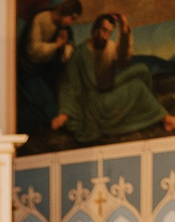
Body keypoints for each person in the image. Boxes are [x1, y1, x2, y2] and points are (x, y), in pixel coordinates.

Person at [53, 11, 175, 143]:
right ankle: (167, 119)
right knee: (137, 87)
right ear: (95, 30)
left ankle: (147, 111)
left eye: (109, 32)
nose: (106, 36)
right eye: (104, 31)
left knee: (142, 70)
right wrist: (64, 113)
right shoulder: (80, 54)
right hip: (96, 102)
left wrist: (124, 30)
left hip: (109, 87)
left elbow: (123, 60)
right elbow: (68, 84)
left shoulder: (109, 47)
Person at [16, 0, 81, 133]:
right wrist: (56, 45)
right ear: (65, 12)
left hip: (48, 73)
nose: (71, 23)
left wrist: (65, 45)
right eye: (71, 18)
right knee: (46, 103)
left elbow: (68, 55)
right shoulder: (40, 19)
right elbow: (32, 50)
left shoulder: (64, 29)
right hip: (29, 71)